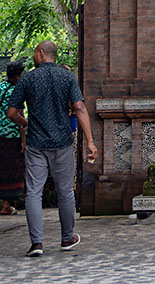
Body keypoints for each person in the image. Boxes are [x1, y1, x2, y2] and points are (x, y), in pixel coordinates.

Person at [7, 40, 98, 258]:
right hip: (62, 142)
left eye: (35, 52)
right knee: (65, 191)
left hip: (36, 144)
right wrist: (90, 141)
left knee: (33, 193)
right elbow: (79, 107)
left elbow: (11, 112)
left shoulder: (28, 78)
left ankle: (37, 243)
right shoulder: (67, 77)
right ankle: (67, 238)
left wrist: (25, 123)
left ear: (40, 53)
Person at [0, 61, 26, 215]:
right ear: (17, 76)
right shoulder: (16, 91)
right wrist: (23, 140)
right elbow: (19, 117)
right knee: (10, 170)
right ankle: (6, 206)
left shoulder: (0, 87)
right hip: (11, 136)